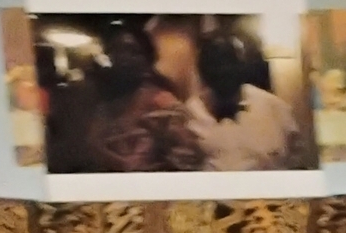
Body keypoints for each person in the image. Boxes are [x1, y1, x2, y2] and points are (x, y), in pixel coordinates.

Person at [43, 19, 206, 175]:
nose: (124, 58)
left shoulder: (163, 105)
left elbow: (190, 160)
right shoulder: (95, 104)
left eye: (133, 52)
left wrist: (168, 145)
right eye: (116, 51)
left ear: (147, 61)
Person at [185, 21, 312, 171]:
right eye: (213, 64)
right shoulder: (189, 115)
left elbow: (297, 158)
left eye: (228, 63)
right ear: (202, 71)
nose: (222, 71)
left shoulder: (274, 108)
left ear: (241, 66)